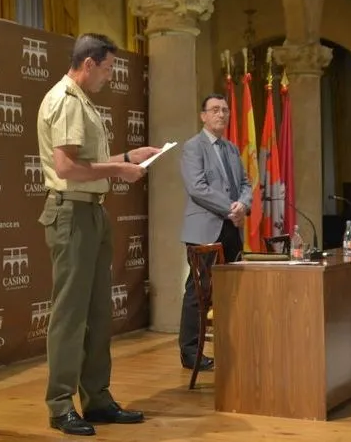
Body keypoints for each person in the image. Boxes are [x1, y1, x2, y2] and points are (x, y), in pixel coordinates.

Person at [36, 33, 160, 436]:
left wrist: (126, 158)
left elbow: (85, 162)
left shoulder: (81, 99)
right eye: (107, 69)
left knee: (96, 314)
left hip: (90, 212)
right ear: (88, 64)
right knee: (71, 314)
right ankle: (60, 405)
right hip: (72, 212)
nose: (109, 78)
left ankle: (97, 398)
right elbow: (68, 168)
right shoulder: (67, 100)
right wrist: (120, 171)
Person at [177, 93, 252, 370]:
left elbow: (245, 182)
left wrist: (243, 204)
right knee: (199, 291)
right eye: (215, 110)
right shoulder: (193, 147)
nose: (221, 114)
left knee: (233, 290)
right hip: (204, 229)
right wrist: (232, 208)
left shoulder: (231, 149)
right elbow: (197, 188)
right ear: (203, 116)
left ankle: (231, 343)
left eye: (225, 110)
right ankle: (190, 352)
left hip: (231, 229)